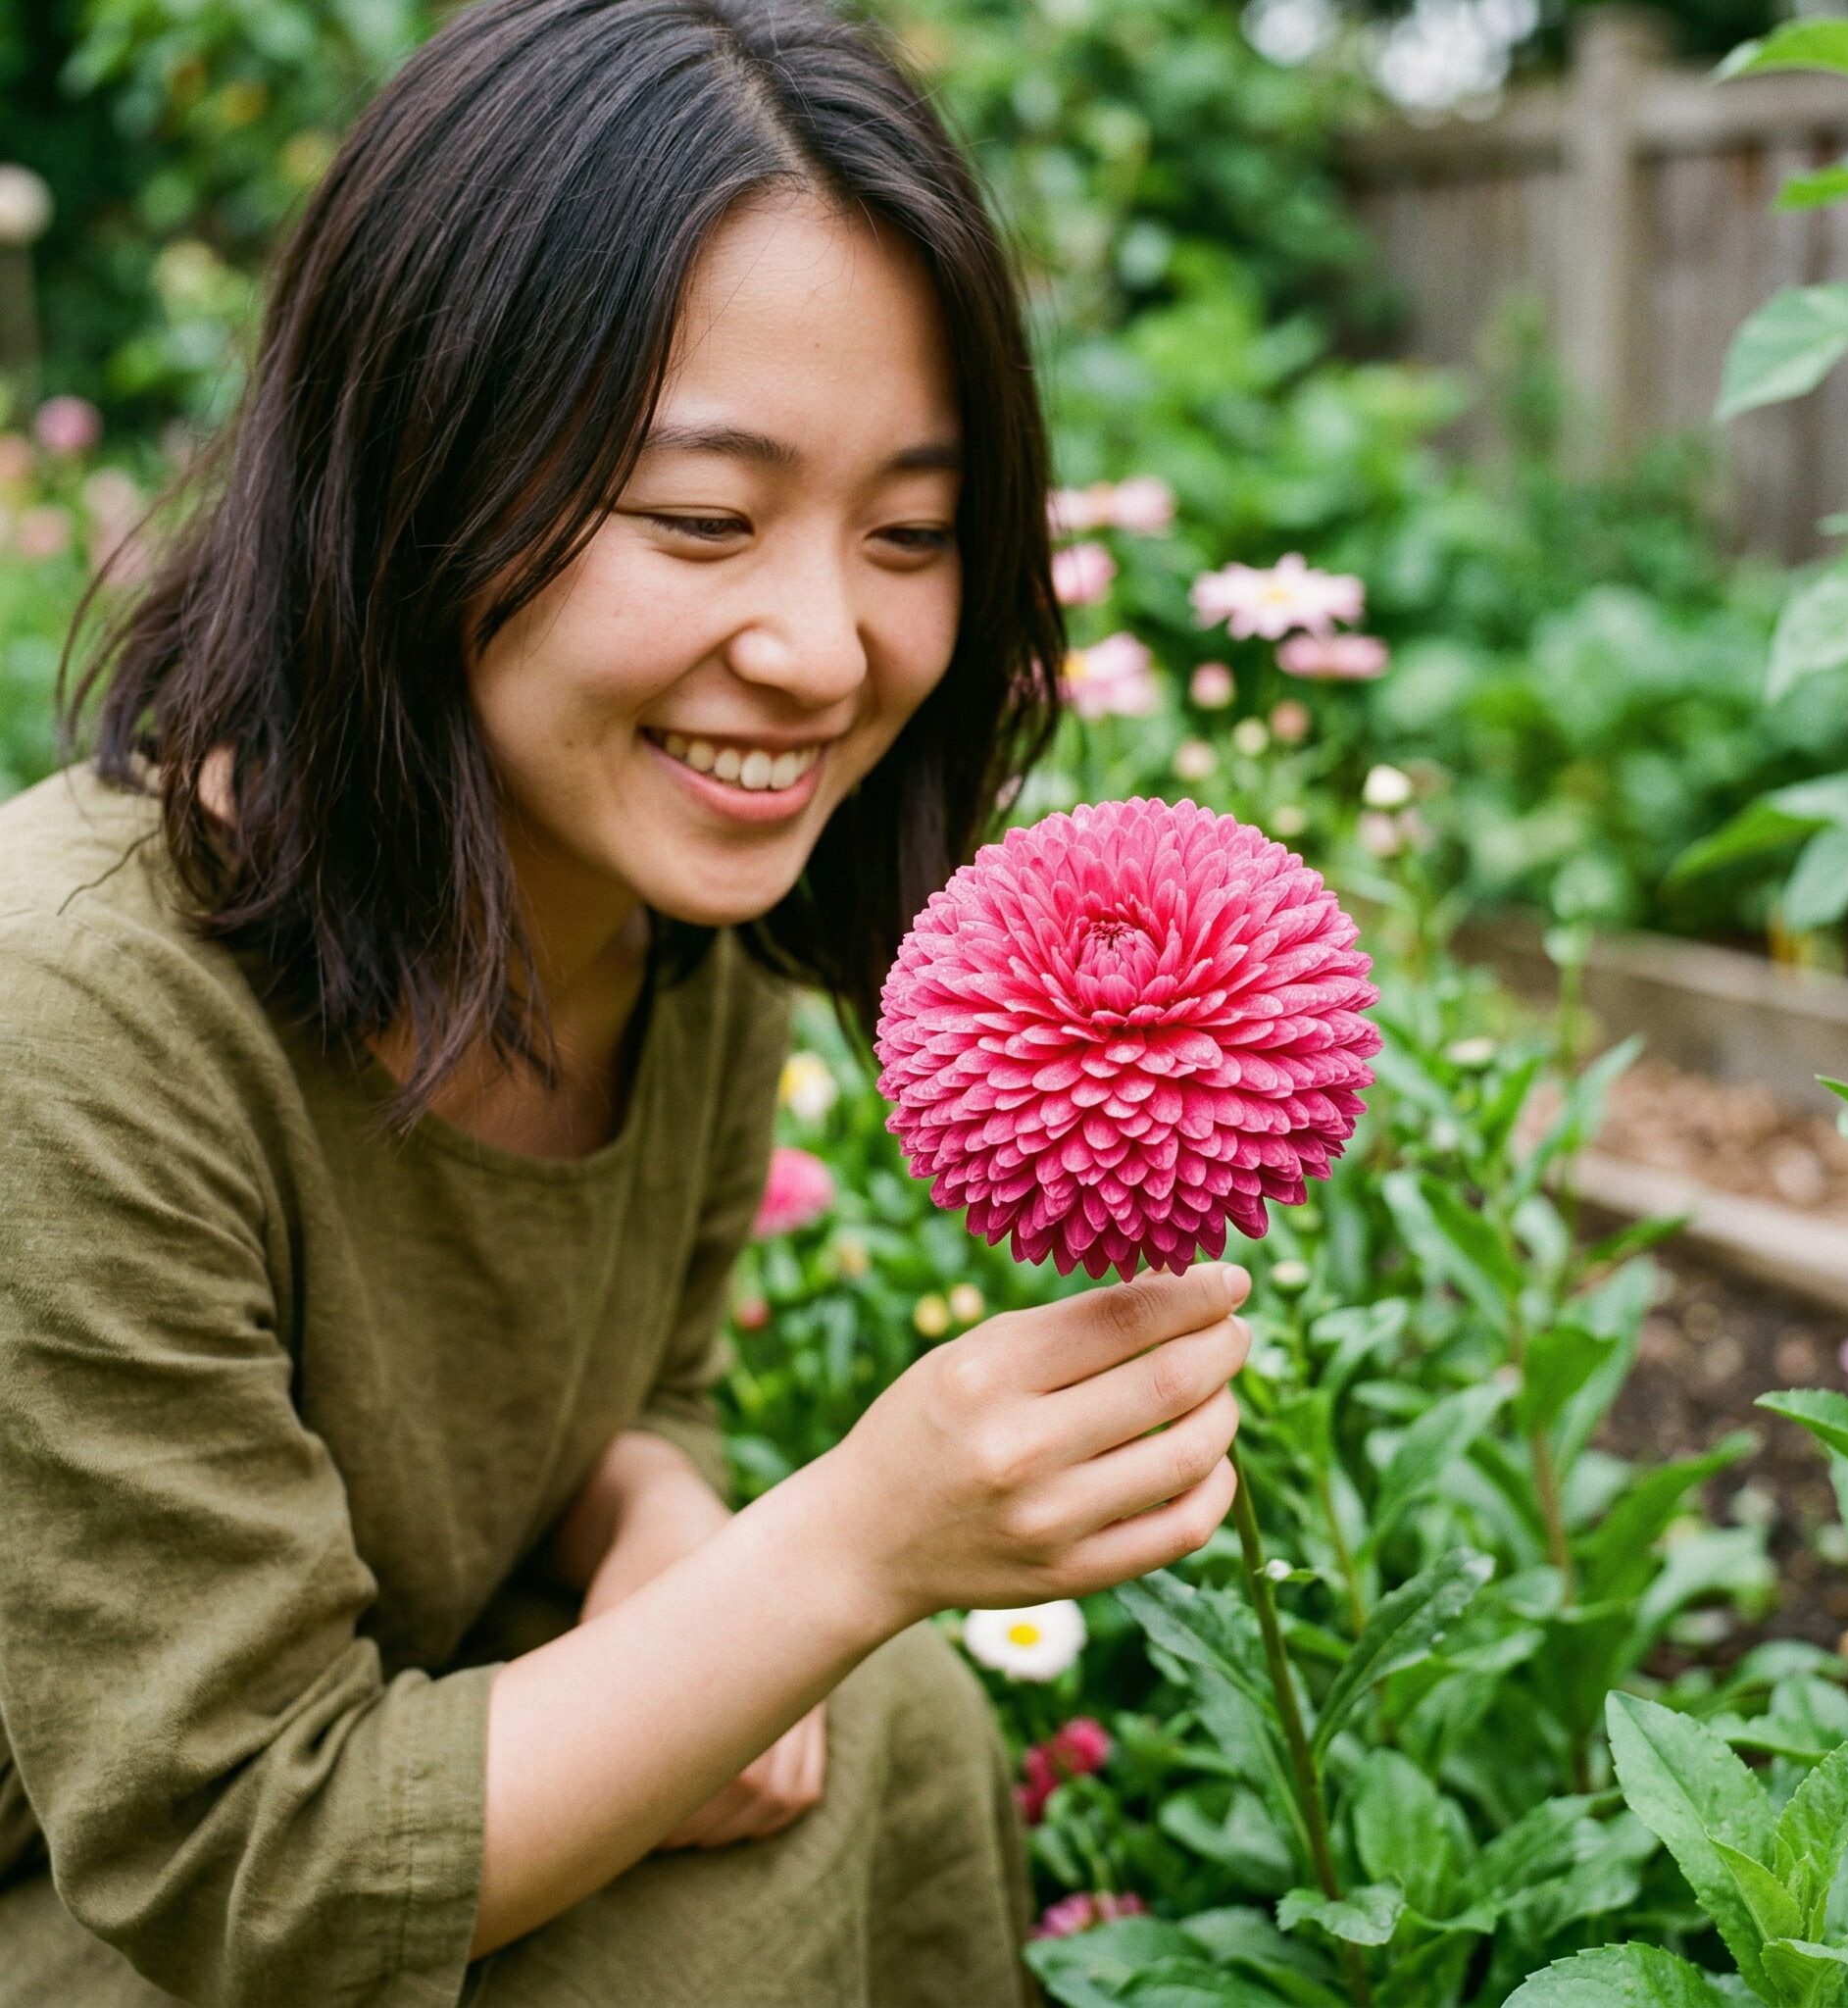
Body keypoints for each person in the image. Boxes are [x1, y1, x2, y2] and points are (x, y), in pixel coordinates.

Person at [0, 1, 1252, 2001]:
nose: (824, 648)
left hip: (338, 1773)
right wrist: (849, 1535)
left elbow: (600, 1395)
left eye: (912, 534)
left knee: (892, 1714)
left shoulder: (670, 921)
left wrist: (661, 1498)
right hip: (106, 1895)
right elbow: (244, 1860)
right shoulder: (69, 1016)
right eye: (700, 519)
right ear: (412, 476)